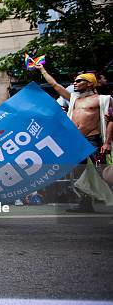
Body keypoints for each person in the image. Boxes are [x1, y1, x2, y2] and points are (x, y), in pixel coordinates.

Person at [38, 66, 112, 212]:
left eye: (79, 81)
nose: (75, 84)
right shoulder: (74, 99)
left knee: (103, 172)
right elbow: (55, 85)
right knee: (80, 172)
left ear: (90, 83)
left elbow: (111, 120)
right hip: (76, 141)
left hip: (92, 140)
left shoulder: (102, 99)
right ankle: (86, 204)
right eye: (74, 81)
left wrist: (107, 142)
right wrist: (42, 70)